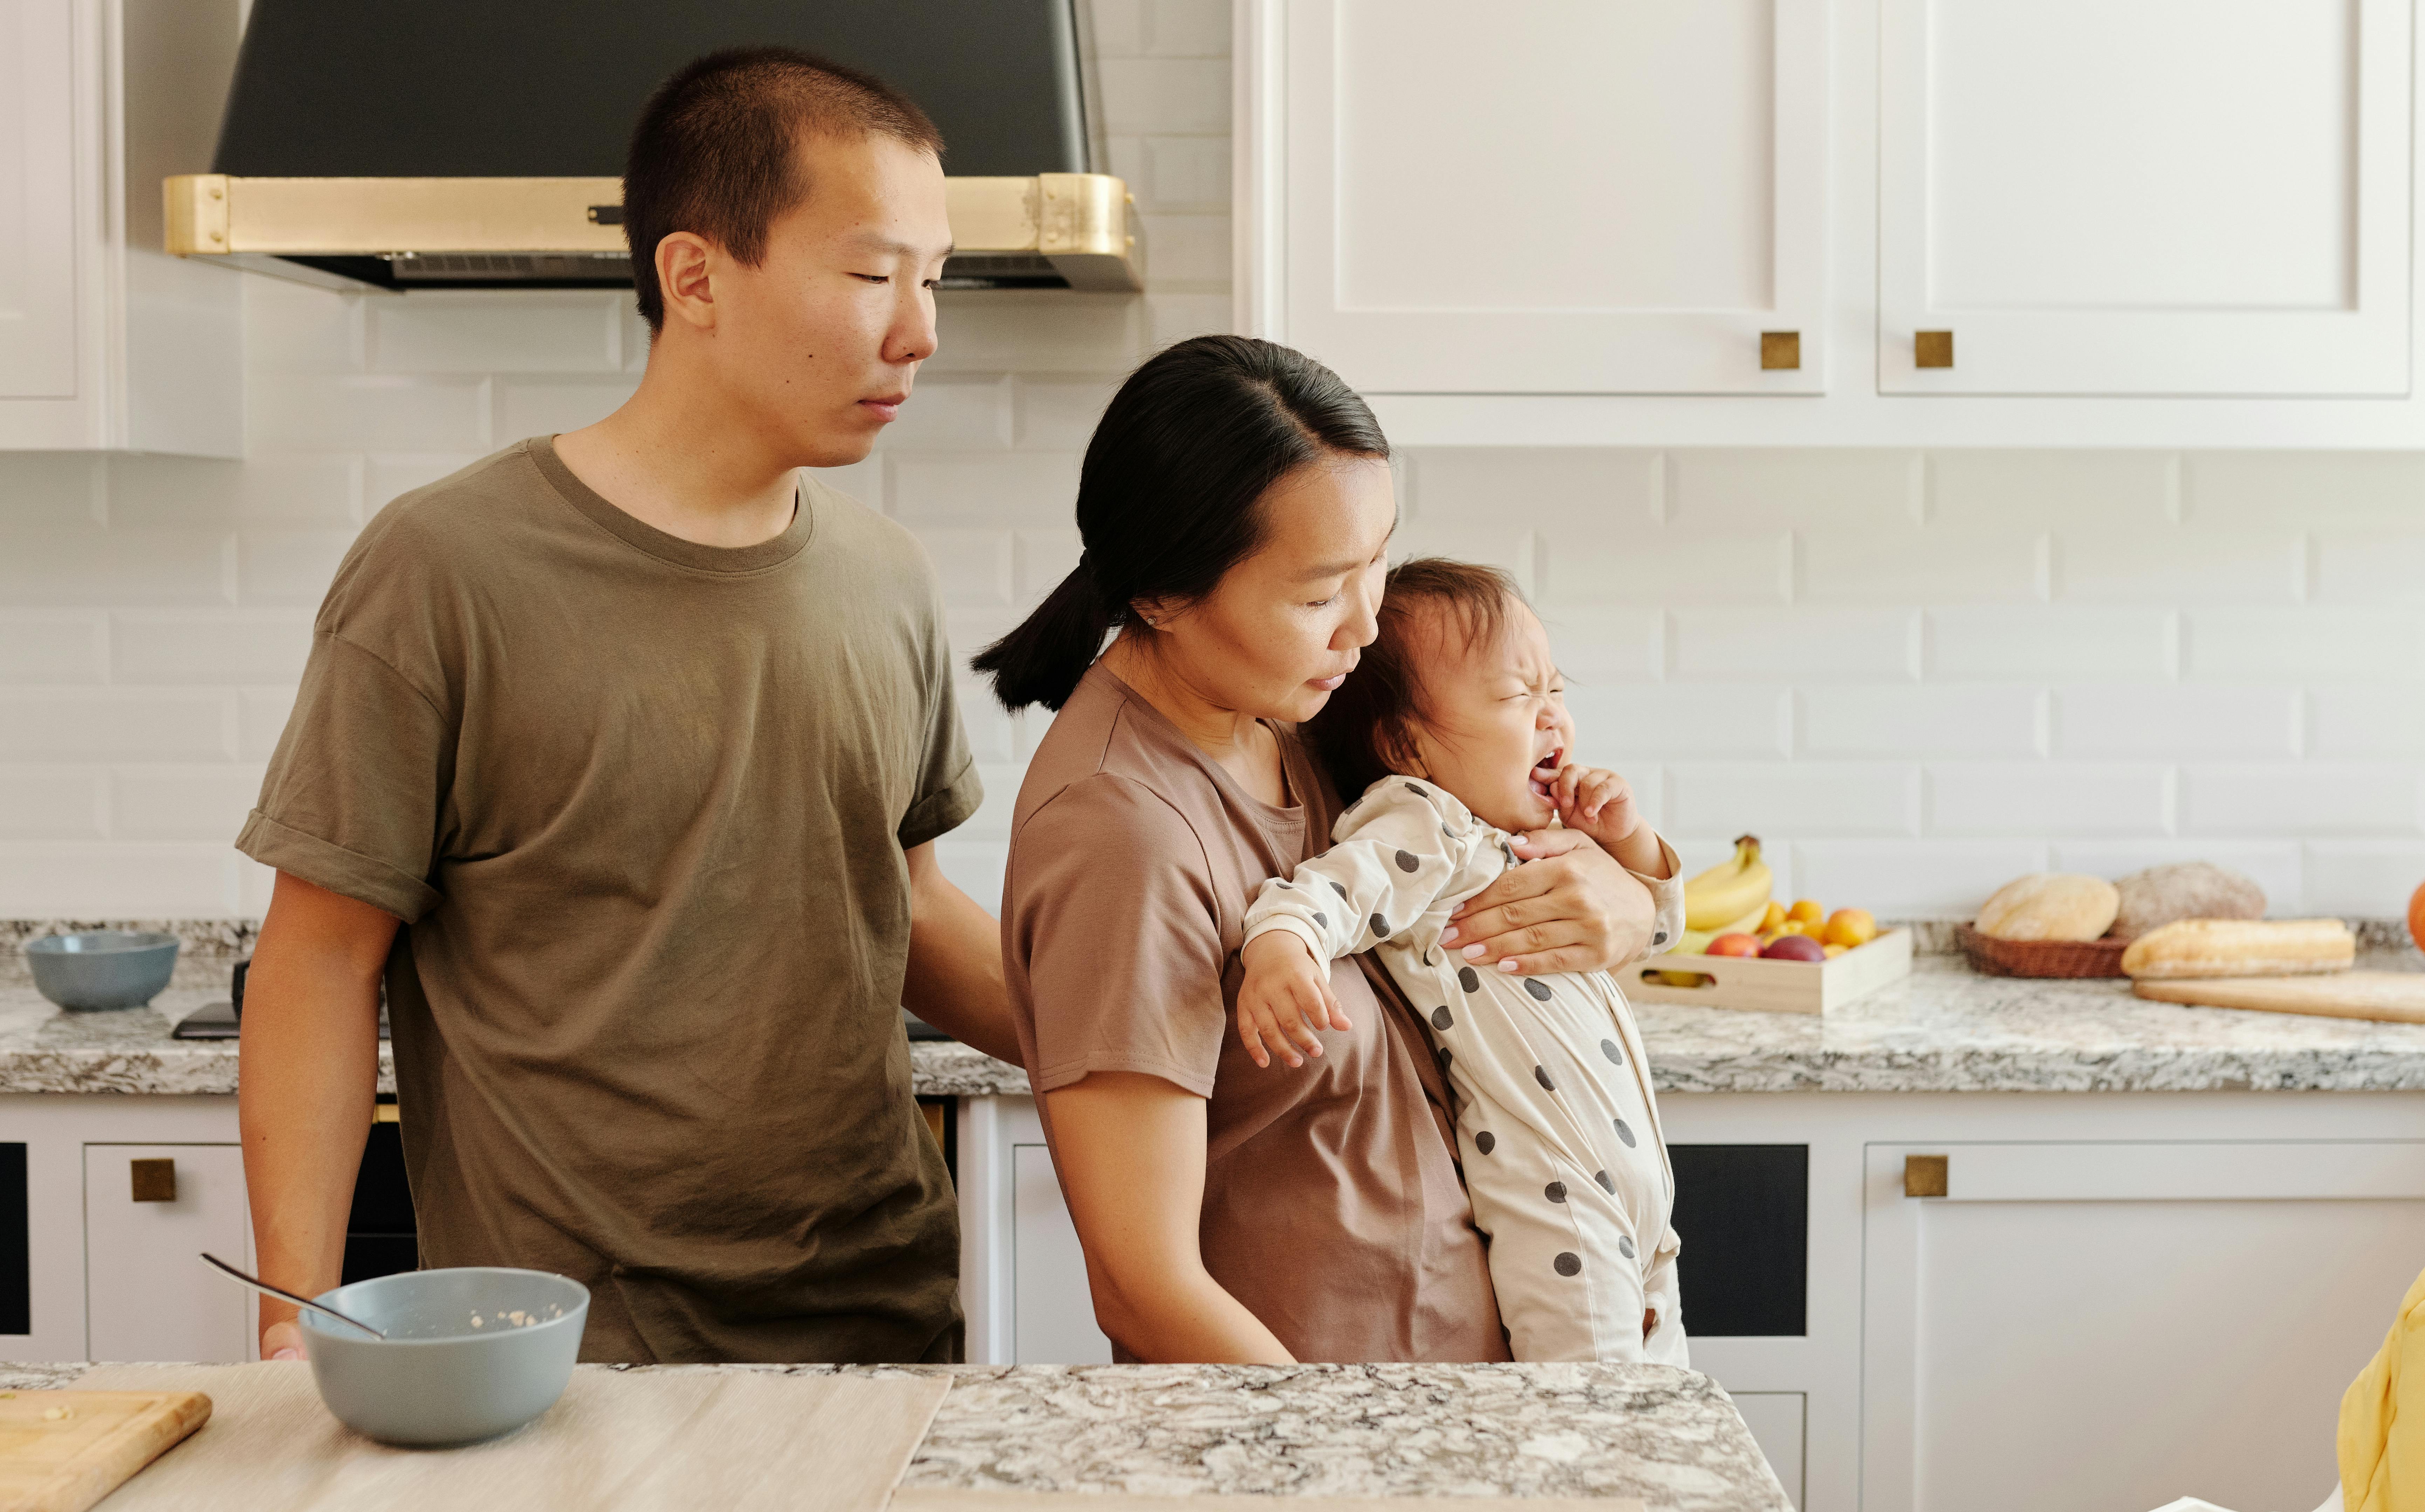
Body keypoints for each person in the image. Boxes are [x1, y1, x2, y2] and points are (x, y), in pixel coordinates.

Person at [234, 47, 1015, 1364]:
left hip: (882, 1323)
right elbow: (319, 956)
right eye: (876, 274)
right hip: (565, 1353)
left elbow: (914, 903)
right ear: (695, 276)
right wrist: (289, 1314)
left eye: (935, 279)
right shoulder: (446, 566)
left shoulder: (887, 574)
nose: (921, 330)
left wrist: (1170, 1051)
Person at [976, 334, 1674, 1363]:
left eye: (1376, 564)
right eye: (1317, 596)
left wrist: (1629, 900)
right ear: (1165, 594)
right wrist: (1335, 1457)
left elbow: (1477, 853)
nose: (1365, 626)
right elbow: (1144, 1288)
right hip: (1333, 1430)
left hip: (1460, 1401)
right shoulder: (1122, 833)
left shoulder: (1293, 716)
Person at [1236, 557, 1688, 1365]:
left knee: (1650, 1447)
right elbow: (1326, 892)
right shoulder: (1424, 825)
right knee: (1590, 1450)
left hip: (1643, 1213)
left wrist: (1625, 840)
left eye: (1556, 689)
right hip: (1560, 1213)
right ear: (1406, 744)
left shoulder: (1535, 839)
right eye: (1519, 696)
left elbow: (1659, 931)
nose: (1553, 718)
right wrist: (1281, 945)